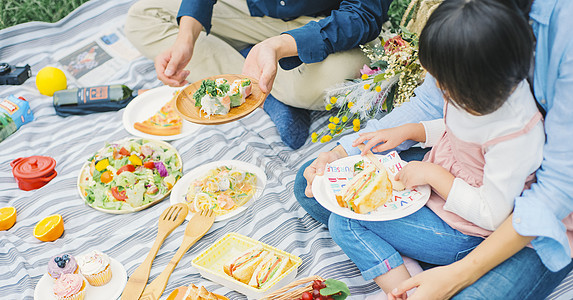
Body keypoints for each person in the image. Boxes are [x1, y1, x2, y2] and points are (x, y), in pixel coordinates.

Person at [294, 0, 573, 298]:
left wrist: (434, 175)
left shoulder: (513, 134)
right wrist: (407, 132)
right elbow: (451, 122)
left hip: (479, 222)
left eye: (444, 85)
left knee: (346, 222)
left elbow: (519, 201)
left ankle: (409, 288)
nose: (439, 89)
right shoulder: (479, 90)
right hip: (456, 194)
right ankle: (419, 262)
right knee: (317, 186)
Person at [123, 0, 392, 149]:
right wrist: (186, 37)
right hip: (256, 10)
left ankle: (268, 73)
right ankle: (258, 85)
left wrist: (281, 46)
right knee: (142, 16)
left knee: (335, 83)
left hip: (326, 23)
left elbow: (362, 16)